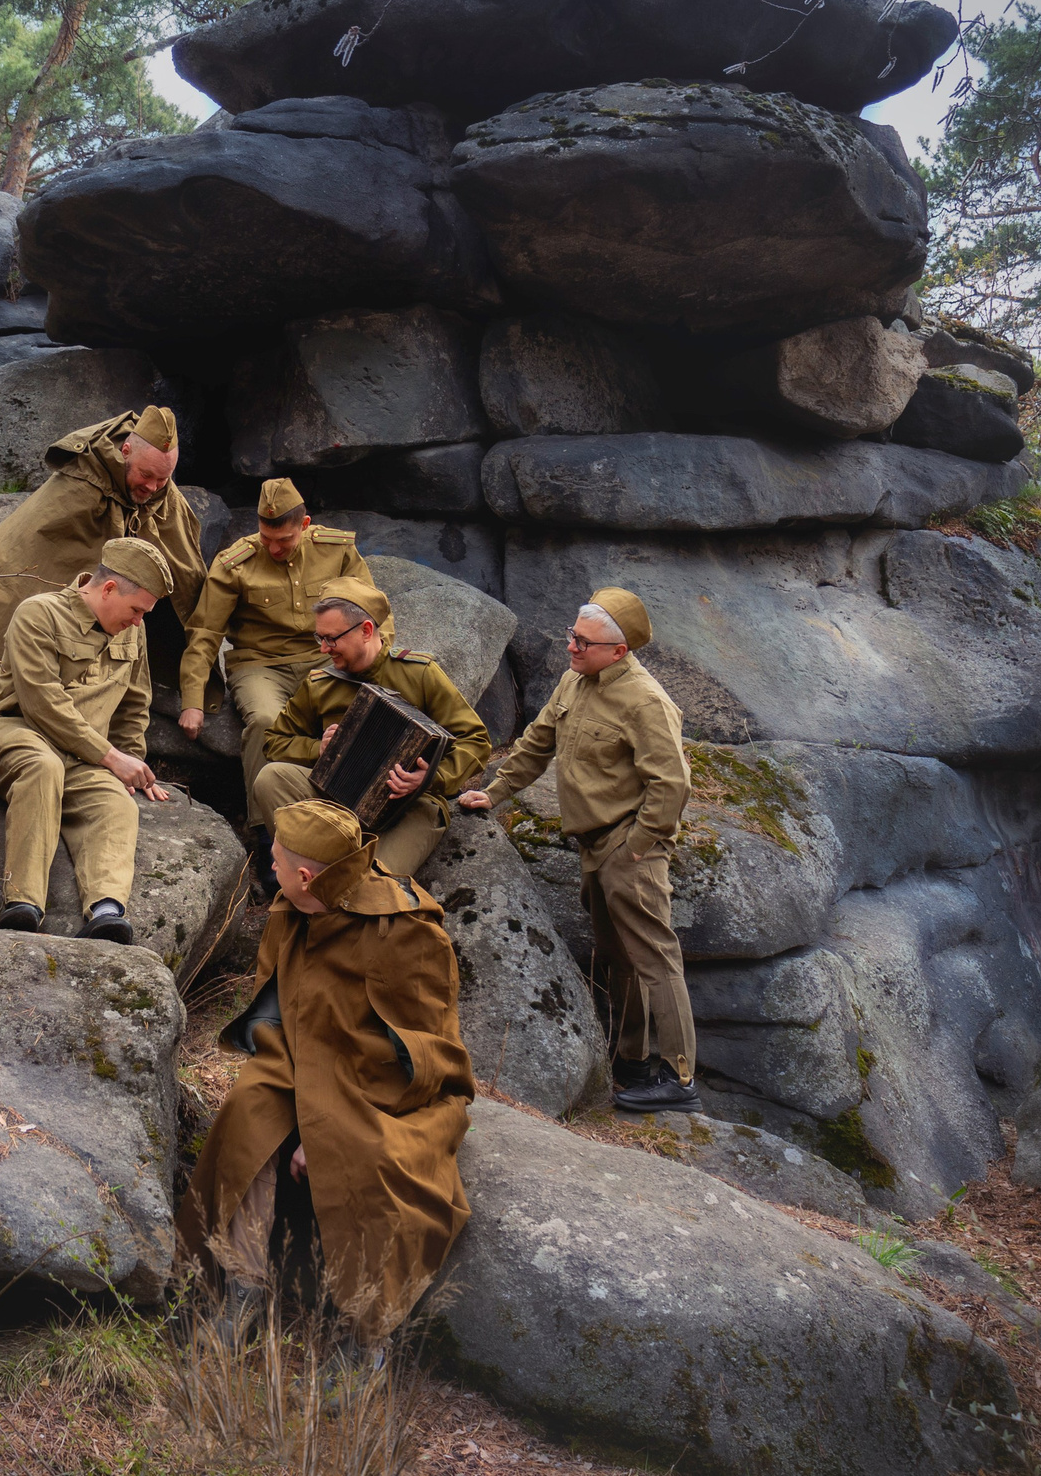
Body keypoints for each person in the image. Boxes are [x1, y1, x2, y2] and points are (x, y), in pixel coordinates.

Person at [177, 797, 474, 1349]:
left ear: (308, 875)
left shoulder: (407, 933)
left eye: (277, 863)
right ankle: (240, 1292)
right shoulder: (293, 910)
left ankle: (368, 1338)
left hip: (386, 1088)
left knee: (367, 1159)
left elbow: (429, 1052)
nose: (271, 869)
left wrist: (326, 1123)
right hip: (297, 1064)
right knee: (251, 1113)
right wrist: (302, 1096)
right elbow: (281, 1008)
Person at [459, 587, 697, 1113]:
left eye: (583, 642)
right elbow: (537, 743)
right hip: (591, 846)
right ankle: (632, 1061)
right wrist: (494, 792)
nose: (571, 647)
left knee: (655, 959)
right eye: (572, 635)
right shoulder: (575, 680)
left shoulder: (646, 701)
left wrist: (635, 849)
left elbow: (670, 785)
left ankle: (679, 1080)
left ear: (619, 651)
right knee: (618, 960)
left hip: (628, 848)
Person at [0, 405, 205, 721]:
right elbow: (28, 552)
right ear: (125, 451)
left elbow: (185, 568)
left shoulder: (161, 495)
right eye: (145, 475)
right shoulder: (82, 482)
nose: (152, 487)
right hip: (23, 613)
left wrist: (195, 693)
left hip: (96, 670)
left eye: (163, 479)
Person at [0, 536, 175, 944]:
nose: (139, 621)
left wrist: (132, 767)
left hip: (85, 757)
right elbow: (42, 702)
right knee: (41, 768)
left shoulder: (134, 631)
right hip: (17, 733)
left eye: (144, 614)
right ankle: (23, 903)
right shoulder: (38, 614)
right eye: (137, 610)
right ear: (109, 589)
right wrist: (111, 756)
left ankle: (105, 910)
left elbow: (135, 703)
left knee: (117, 802)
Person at [177, 478, 375, 886]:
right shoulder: (237, 563)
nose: (274, 548)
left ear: (304, 524)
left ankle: (358, 817)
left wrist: (376, 661)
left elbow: (370, 608)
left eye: (284, 539)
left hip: (323, 656)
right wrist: (193, 700)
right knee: (267, 721)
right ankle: (269, 837)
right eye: (267, 538)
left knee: (357, 716)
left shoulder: (336, 548)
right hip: (260, 663)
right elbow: (205, 634)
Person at [254, 578, 491, 879]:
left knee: (371, 883)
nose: (324, 649)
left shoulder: (419, 673)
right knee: (271, 778)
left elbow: (475, 738)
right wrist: (319, 749)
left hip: (408, 805)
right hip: (335, 796)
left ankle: (351, 874)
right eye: (320, 638)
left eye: (331, 639)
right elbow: (275, 741)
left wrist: (429, 777)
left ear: (366, 631)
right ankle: (308, 864)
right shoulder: (320, 685)